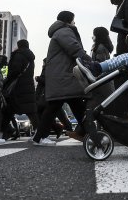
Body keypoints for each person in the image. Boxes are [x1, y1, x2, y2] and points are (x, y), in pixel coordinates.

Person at [32, 11, 89, 146]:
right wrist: (89, 61)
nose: (75, 23)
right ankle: (40, 137)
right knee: (57, 108)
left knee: (75, 106)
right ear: (69, 20)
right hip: (64, 77)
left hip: (62, 77)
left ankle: (88, 133)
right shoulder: (64, 31)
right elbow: (74, 49)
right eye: (74, 21)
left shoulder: (59, 32)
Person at [1, 39, 38, 140]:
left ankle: (6, 131)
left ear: (19, 46)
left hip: (17, 87)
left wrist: (7, 80)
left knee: (8, 110)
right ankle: (39, 131)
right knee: (31, 111)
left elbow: (14, 71)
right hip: (28, 86)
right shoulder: (30, 57)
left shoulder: (19, 55)